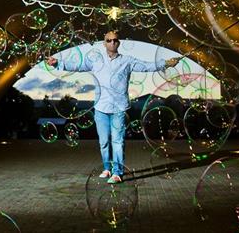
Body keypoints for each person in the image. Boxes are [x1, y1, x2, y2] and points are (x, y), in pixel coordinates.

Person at [46, 30, 179, 184]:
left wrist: (165, 63)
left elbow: (146, 66)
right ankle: (107, 168)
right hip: (101, 107)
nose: (112, 43)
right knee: (104, 142)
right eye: (109, 40)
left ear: (119, 42)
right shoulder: (96, 61)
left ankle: (117, 172)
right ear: (104, 43)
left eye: (115, 40)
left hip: (119, 108)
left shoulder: (127, 61)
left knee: (118, 141)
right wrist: (57, 63)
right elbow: (78, 65)